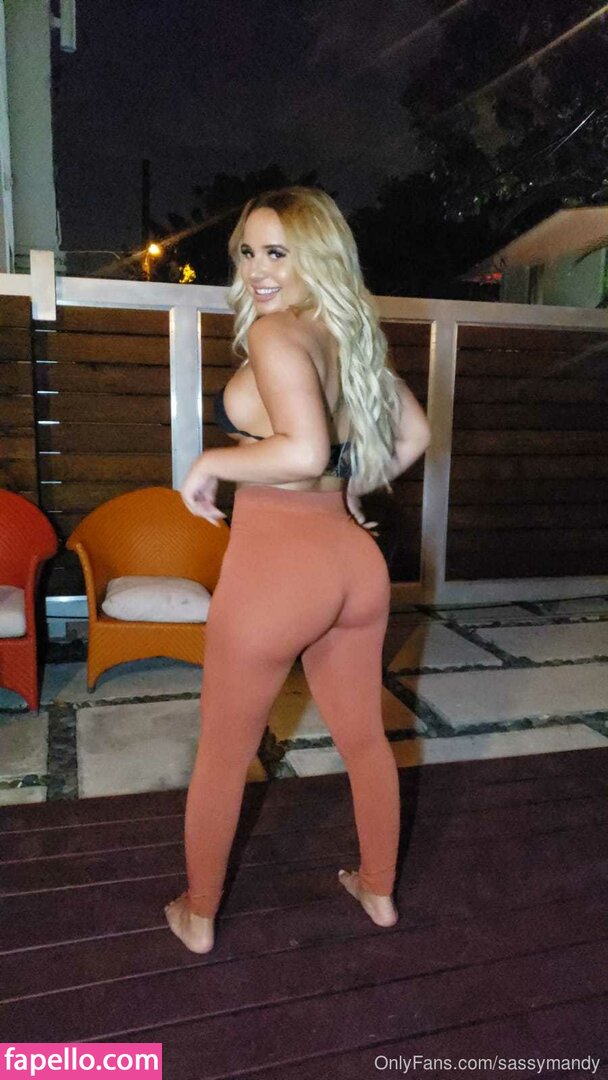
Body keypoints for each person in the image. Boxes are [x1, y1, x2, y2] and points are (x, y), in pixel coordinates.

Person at [164, 186, 431, 954]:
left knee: (223, 755)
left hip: (276, 570)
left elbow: (305, 449)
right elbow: (413, 436)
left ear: (317, 256)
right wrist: (350, 487)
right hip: (353, 562)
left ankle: (199, 913)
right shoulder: (350, 337)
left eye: (277, 252)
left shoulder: (278, 334)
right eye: (248, 252)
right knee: (366, 740)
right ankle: (377, 891)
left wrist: (212, 462)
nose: (257, 269)